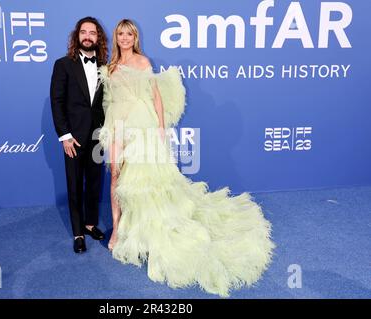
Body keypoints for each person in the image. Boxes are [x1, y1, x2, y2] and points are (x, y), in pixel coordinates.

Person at [98, 19, 275, 297]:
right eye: (120, 34)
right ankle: (117, 231)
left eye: (129, 34)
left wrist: (159, 128)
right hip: (117, 126)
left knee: (145, 180)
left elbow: (155, 97)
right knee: (117, 176)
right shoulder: (109, 68)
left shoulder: (144, 62)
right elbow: (108, 102)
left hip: (143, 124)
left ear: (135, 37)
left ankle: (144, 230)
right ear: (116, 37)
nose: (124, 38)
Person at [50, 17, 108, 253]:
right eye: (83, 32)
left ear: (98, 37)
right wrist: (64, 136)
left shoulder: (105, 67)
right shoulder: (63, 65)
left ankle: (90, 224)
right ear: (77, 37)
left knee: (94, 184)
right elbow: (57, 101)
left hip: (98, 136)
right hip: (73, 138)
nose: (87, 36)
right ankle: (77, 234)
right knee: (74, 186)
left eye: (92, 33)